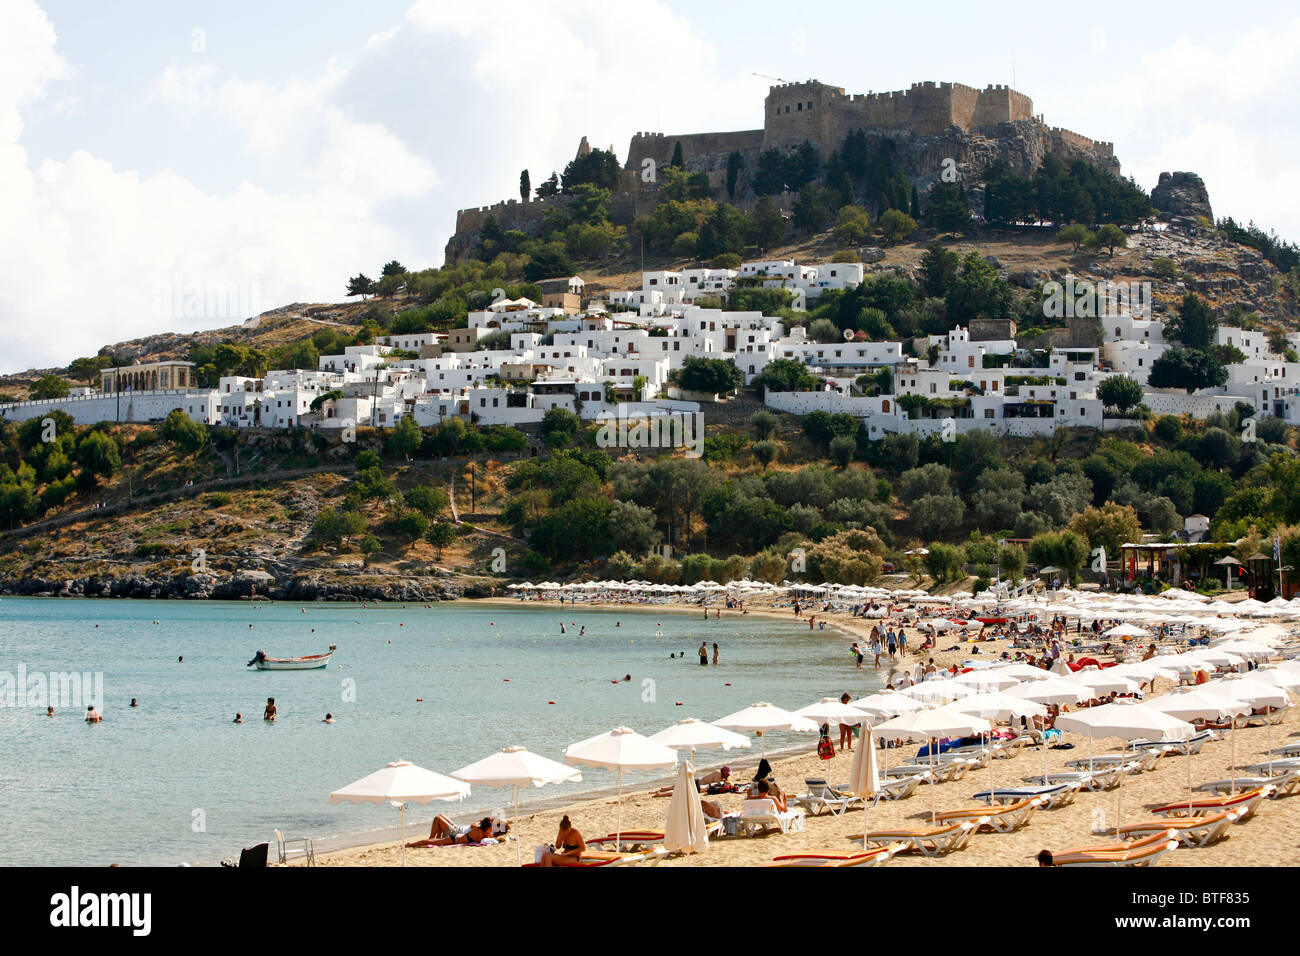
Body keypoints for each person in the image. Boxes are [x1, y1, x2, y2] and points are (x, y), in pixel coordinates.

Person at [408, 815, 497, 847]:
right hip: (454, 838)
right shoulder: (479, 833)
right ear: (487, 827)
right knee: (431, 842)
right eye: (491, 827)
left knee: (433, 841)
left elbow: (487, 838)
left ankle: (412, 844)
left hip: (456, 837)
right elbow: (483, 840)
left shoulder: (481, 831)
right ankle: (411, 844)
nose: (492, 829)